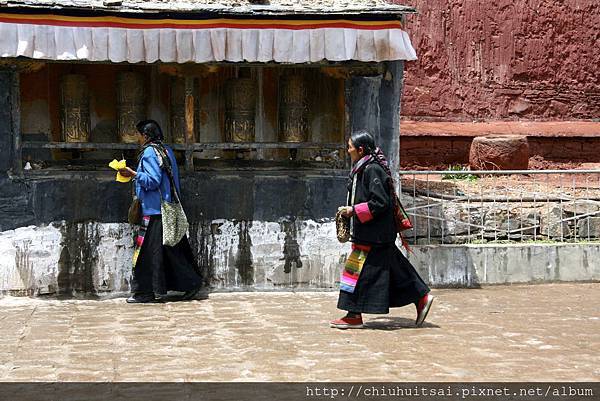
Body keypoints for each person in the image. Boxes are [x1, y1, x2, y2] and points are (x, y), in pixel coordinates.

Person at [331, 130, 434, 329]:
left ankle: (353, 315)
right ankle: (421, 297)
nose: (348, 150)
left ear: (360, 150)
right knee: (398, 270)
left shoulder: (372, 170)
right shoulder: (363, 168)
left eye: (350, 147)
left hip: (374, 235)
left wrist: (353, 210)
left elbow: (380, 203)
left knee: (356, 273)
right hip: (373, 234)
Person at [119, 120, 202, 303]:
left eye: (139, 134)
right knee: (171, 251)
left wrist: (133, 174)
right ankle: (191, 283)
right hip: (167, 208)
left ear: (146, 136)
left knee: (146, 254)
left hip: (154, 210)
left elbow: (153, 181)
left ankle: (145, 293)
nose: (137, 138)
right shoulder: (166, 150)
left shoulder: (149, 152)